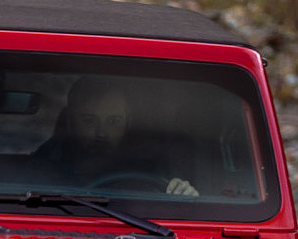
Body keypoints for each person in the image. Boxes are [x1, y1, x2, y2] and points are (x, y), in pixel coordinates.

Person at [33, 78, 198, 197]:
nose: (102, 133)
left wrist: (185, 196)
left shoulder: (152, 170)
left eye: (114, 122)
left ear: (127, 123)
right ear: (70, 121)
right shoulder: (44, 164)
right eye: (89, 121)